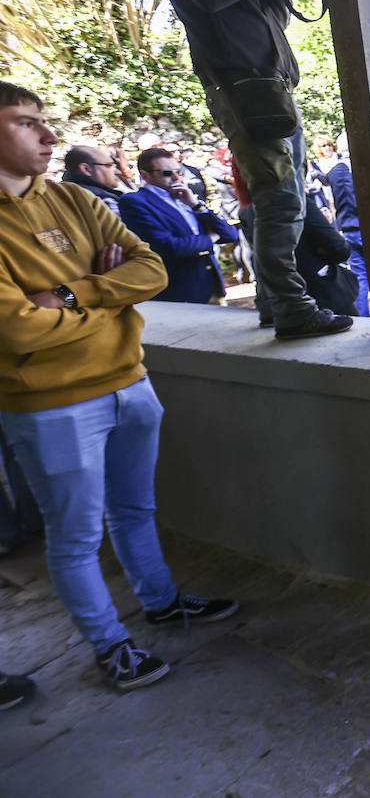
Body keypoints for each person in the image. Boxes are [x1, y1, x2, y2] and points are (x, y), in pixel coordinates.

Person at [0, 82, 239, 691]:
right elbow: (14, 329)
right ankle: (111, 647)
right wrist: (107, 292)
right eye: (27, 123)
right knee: (75, 535)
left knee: (135, 509)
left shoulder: (75, 201)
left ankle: (161, 601)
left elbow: (151, 268)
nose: (48, 134)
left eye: (43, 120)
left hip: (129, 382)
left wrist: (74, 294)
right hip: (49, 404)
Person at [144, 0, 351, 339]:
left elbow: (266, 18)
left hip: (268, 81)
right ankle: (292, 306)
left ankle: (275, 301)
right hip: (241, 81)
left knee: (283, 196)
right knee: (281, 197)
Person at [119, 148, 238, 304]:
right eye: (167, 173)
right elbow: (168, 246)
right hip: (178, 290)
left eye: (179, 172)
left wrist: (196, 205)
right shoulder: (135, 202)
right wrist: (210, 239)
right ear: (145, 175)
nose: (176, 177)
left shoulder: (184, 197)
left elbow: (229, 234)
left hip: (210, 285)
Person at [311, 136, 369, 316]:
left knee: (360, 275)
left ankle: (364, 318)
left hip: (348, 228)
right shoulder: (362, 168)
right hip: (367, 229)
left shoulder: (334, 172)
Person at [61, 146, 125, 217]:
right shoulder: (104, 202)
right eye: (109, 165)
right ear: (86, 169)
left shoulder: (61, 196)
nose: (118, 172)